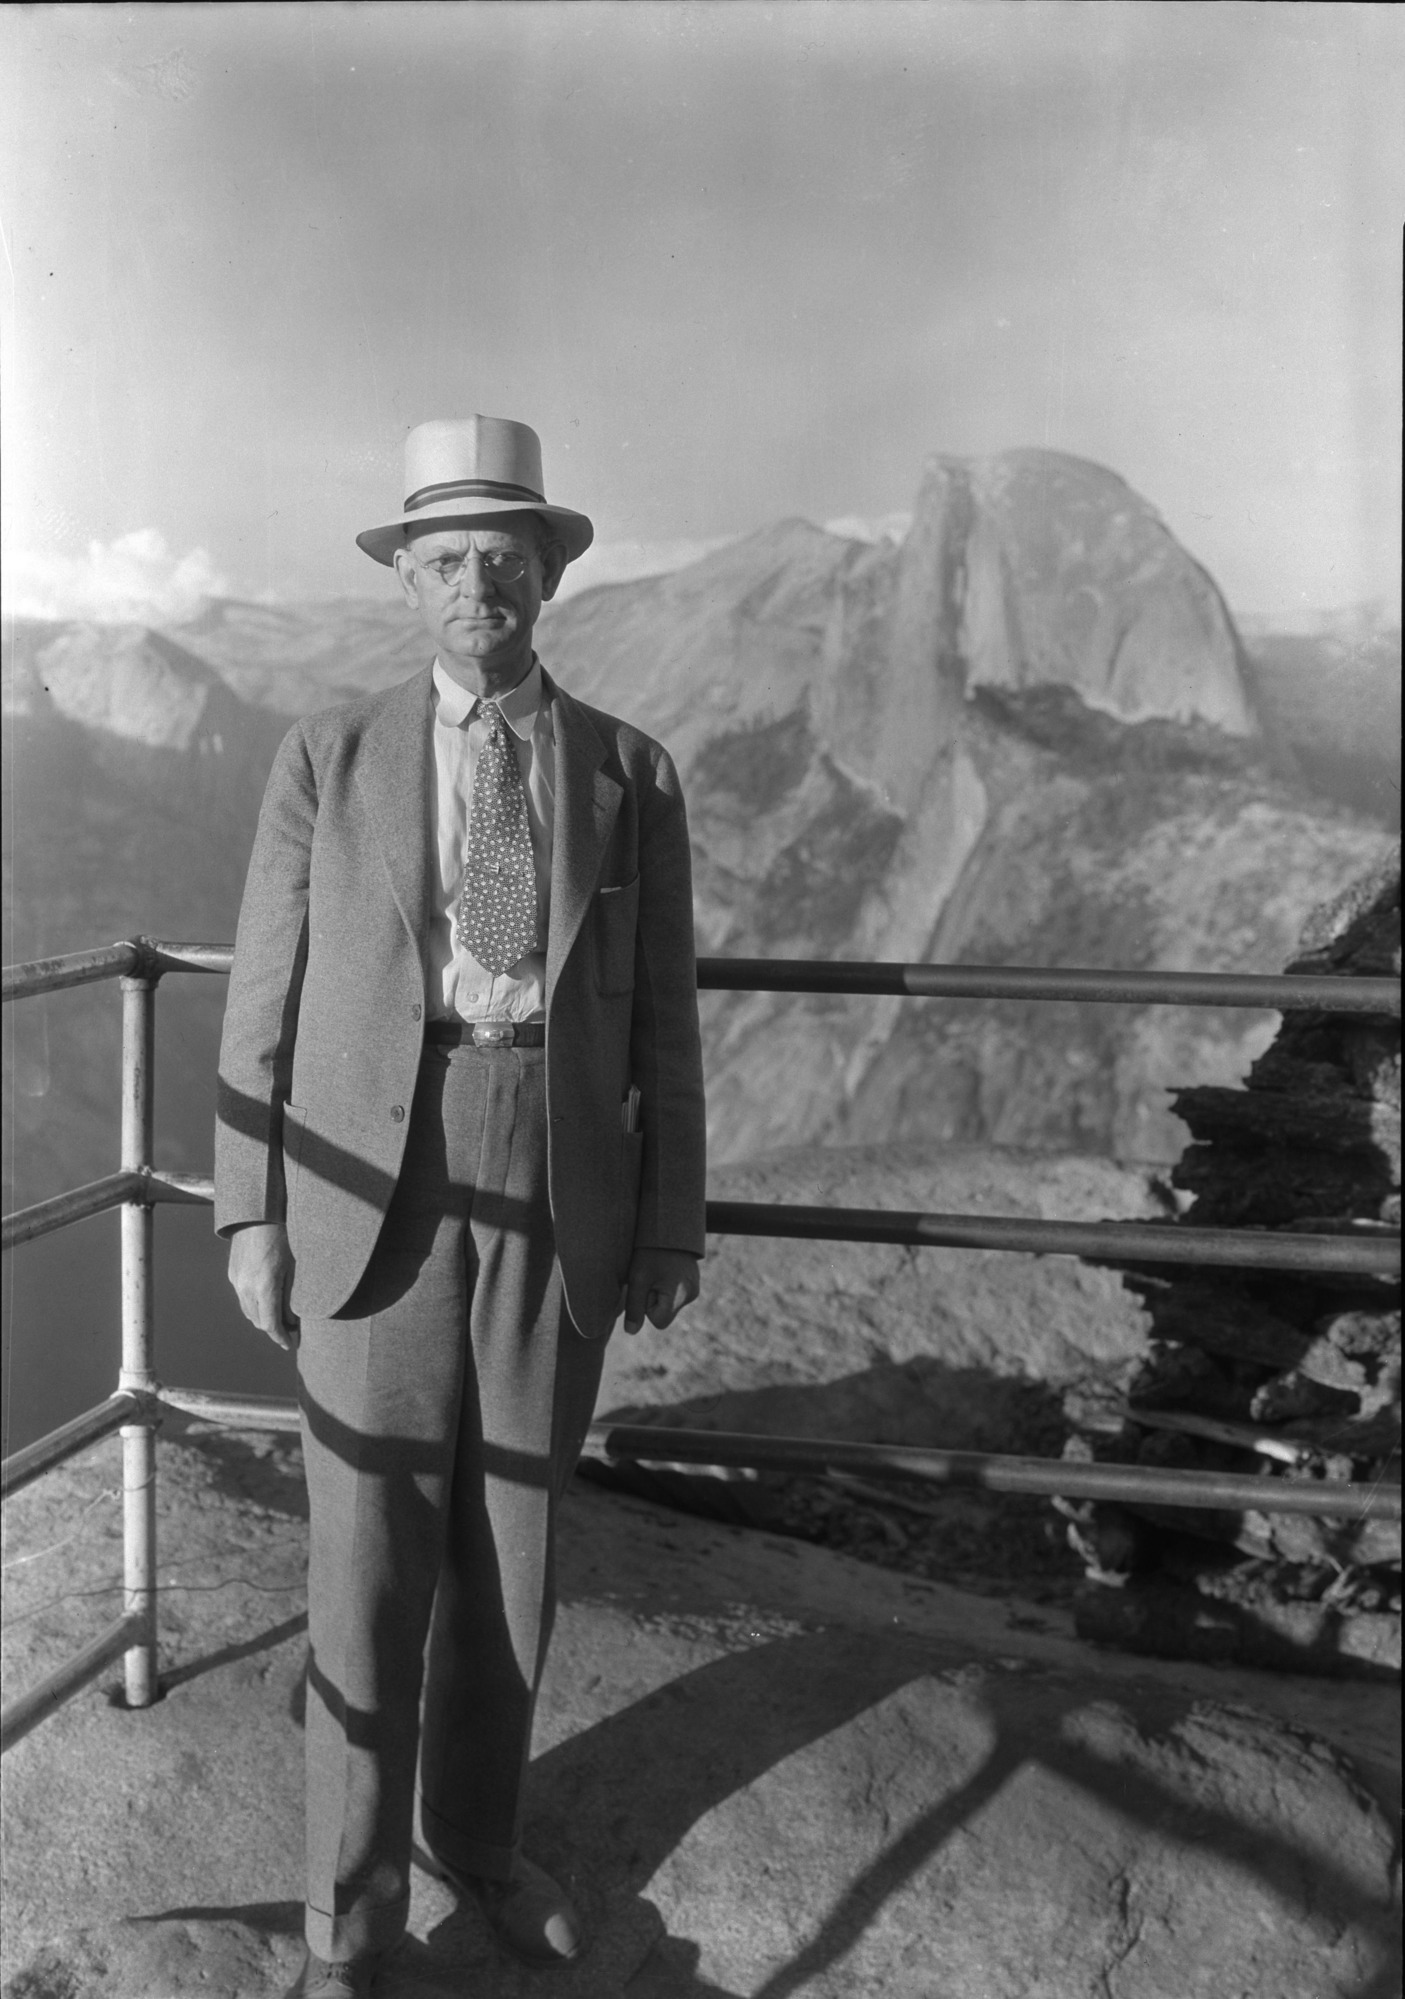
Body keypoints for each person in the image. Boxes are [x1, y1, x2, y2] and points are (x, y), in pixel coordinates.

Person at [215, 415, 707, 1999]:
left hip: (560, 1176)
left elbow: (664, 1022)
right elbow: (263, 1010)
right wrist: (248, 1214)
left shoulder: (628, 771)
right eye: (444, 560)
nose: (474, 585)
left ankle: (478, 1857)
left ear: (549, 577)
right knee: (363, 1557)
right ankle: (346, 1925)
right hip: (371, 1172)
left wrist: (671, 1220)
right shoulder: (327, 757)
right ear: (408, 584)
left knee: (515, 1547)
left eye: (504, 557)